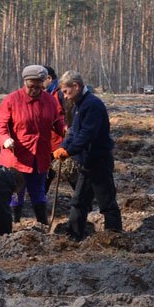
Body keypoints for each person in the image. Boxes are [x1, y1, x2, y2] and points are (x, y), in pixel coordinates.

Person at [53, 70, 123, 240]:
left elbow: (87, 134)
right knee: (79, 201)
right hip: (87, 162)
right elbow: (73, 132)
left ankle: (114, 238)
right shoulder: (79, 105)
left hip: (98, 162)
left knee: (106, 203)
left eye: (65, 91)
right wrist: (63, 146)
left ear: (76, 86)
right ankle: (74, 237)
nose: (65, 96)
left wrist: (69, 151)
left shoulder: (92, 105)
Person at [0, 65, 65, 225]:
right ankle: (13, 225)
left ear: (43, 83)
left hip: (40, 156)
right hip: (16, 157)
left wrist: (65, 130)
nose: (33, 90)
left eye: (38, 87)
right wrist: (5, 139)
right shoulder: (12, 100)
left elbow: (57, 121)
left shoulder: (49, 101)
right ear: (24, 82)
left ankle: (42, 224)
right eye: (30, 86)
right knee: (15, 194)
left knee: (39, 192)